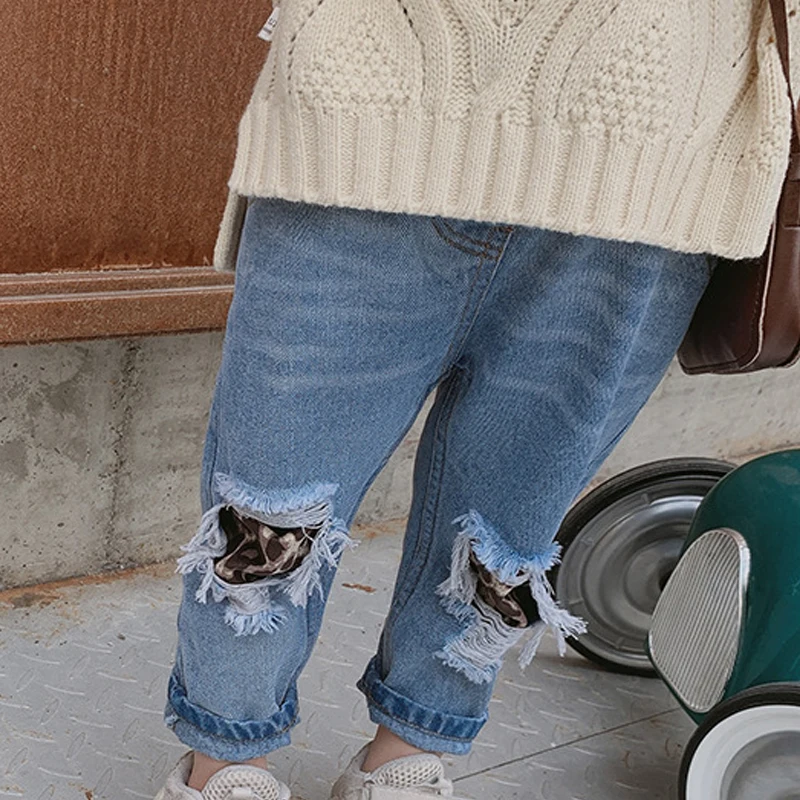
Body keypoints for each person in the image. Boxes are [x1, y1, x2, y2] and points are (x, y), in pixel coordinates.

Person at [155, 2, 799, 798]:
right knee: (268, 511)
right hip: (371, 101)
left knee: (506, 530)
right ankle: (224, 761)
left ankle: (407, 757)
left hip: (658, 154)